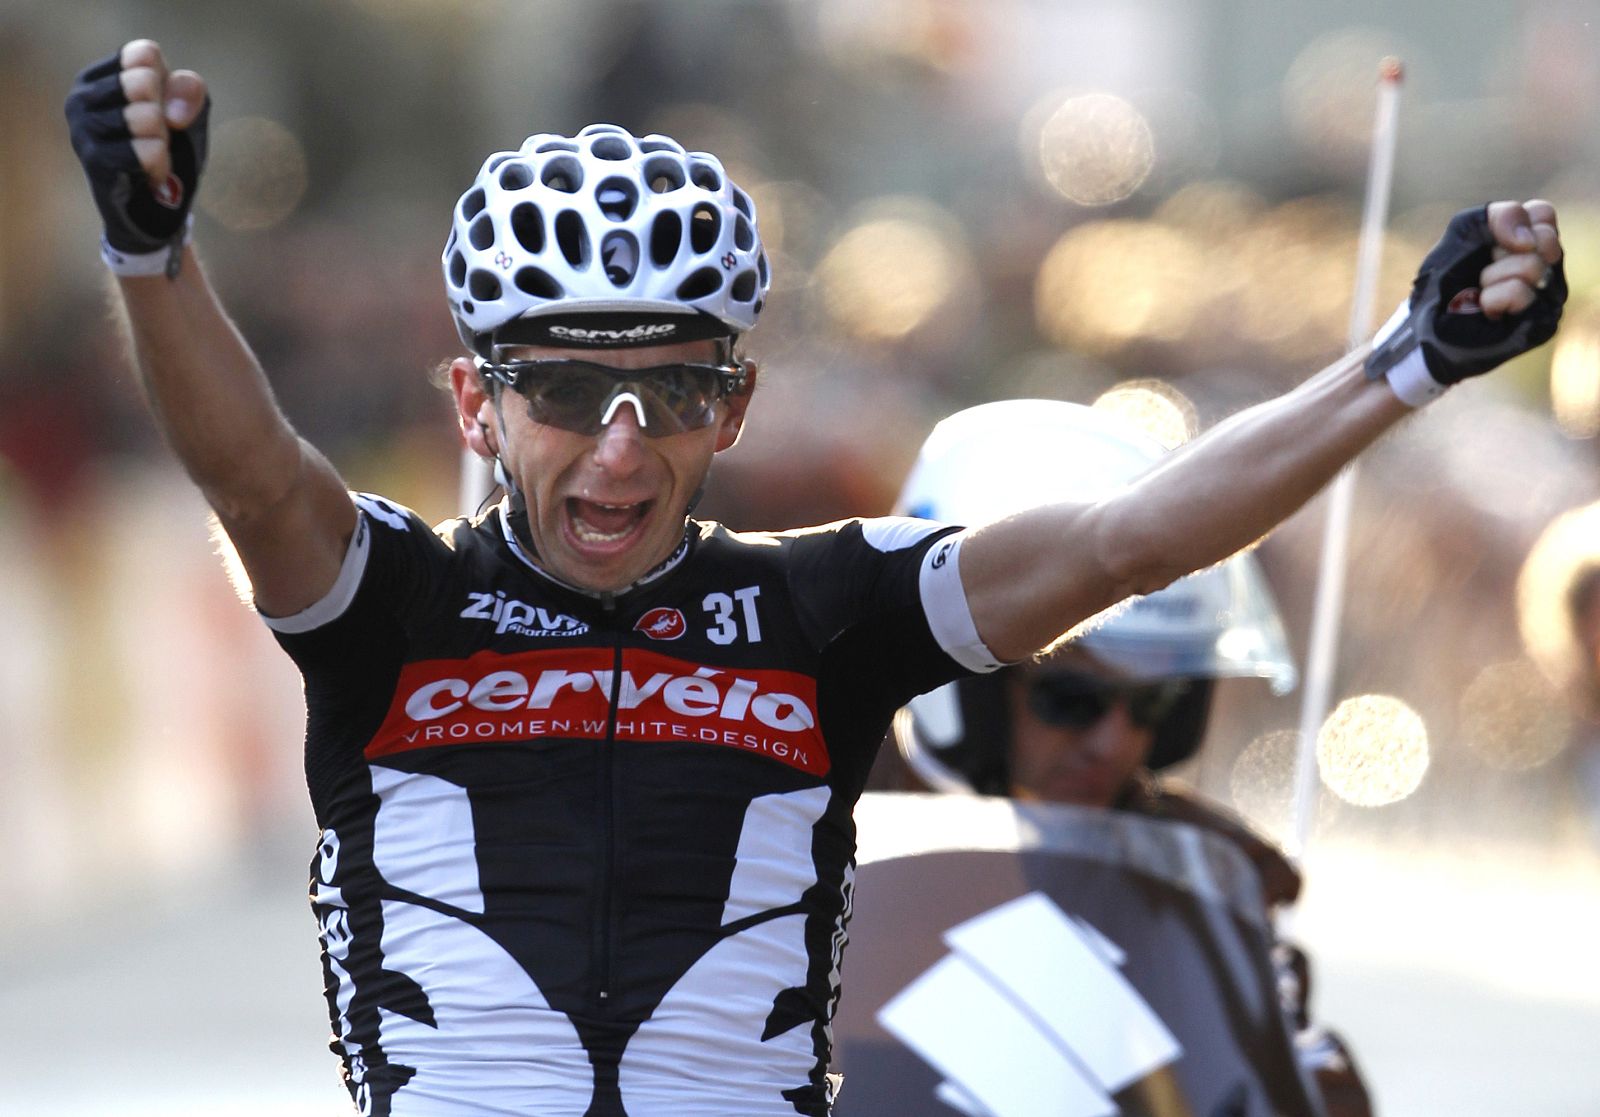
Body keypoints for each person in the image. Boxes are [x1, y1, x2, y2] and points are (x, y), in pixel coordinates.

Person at [63, 37, 1565, 1117]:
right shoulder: (394, 605)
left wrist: (1409, 363)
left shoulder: (820, 612)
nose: (621, 448)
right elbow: (252, 470)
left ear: (741, 404)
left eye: (676, 391)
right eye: (570, 394)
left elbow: (1137, 537)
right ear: (476, 407)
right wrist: (151, 253)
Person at [890, 399, 1372, 1115]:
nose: (1117, 740)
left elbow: (1290, 1087)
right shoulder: (795, 815)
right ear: (962, 682)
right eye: (1071, 698)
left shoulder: (1205, 878)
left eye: (1154, 703)